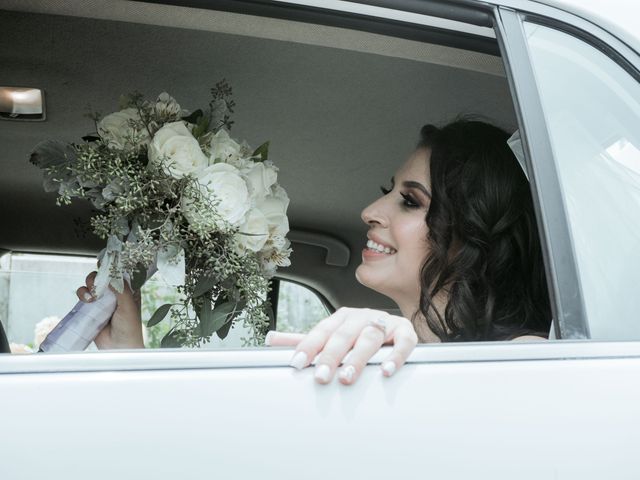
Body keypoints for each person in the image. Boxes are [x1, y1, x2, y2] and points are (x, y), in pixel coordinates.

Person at [78, 118, 552, 384]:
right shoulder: (375, 359)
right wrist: (127, 352)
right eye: (388, 192)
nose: (369, 210)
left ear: (472, 236)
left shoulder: (531, 360)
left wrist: (388, 330)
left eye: (409, 200)